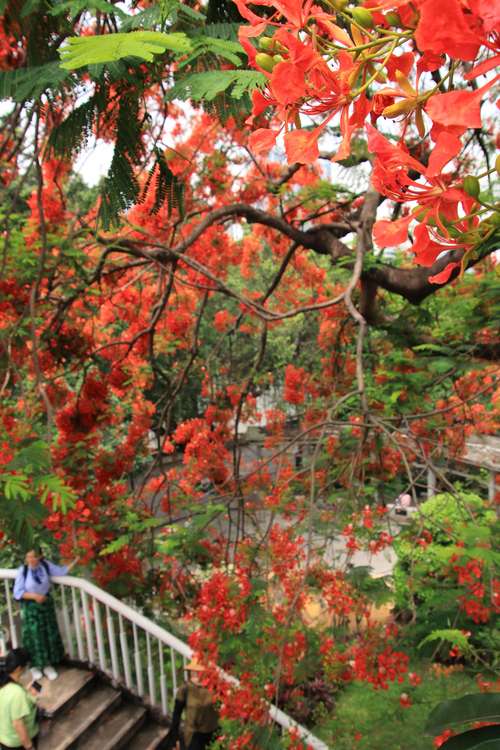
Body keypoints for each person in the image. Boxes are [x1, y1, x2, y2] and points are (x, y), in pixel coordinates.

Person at [13, 548, 77, 681]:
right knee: (34, 637)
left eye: (34, 557)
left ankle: (47, 665)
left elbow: (61, 571)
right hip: (31, 608)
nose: (30, 560)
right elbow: (17, 592)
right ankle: (34, 666)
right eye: (28, 557)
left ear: (40, 557)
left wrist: (76, 560)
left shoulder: (45, 565)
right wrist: (34, 596)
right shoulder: (23, 570)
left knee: (48, 635)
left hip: (46, 606)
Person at [165, 658, 219, 750]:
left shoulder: (214, 687)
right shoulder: (185, 689)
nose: (196, 676)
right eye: (193, 673)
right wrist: (174, 739)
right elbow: (176, 715)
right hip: (194, 734)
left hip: (213, 731)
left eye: (199, 673)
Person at [0, 648, 39, 750]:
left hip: (5, 739)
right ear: (18, 669)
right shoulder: (17, 693)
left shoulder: (5, 684)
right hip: (18, 743)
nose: (27, 668)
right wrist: (29, 747)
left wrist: (27, 692)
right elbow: (18, 724)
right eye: (26, 666)